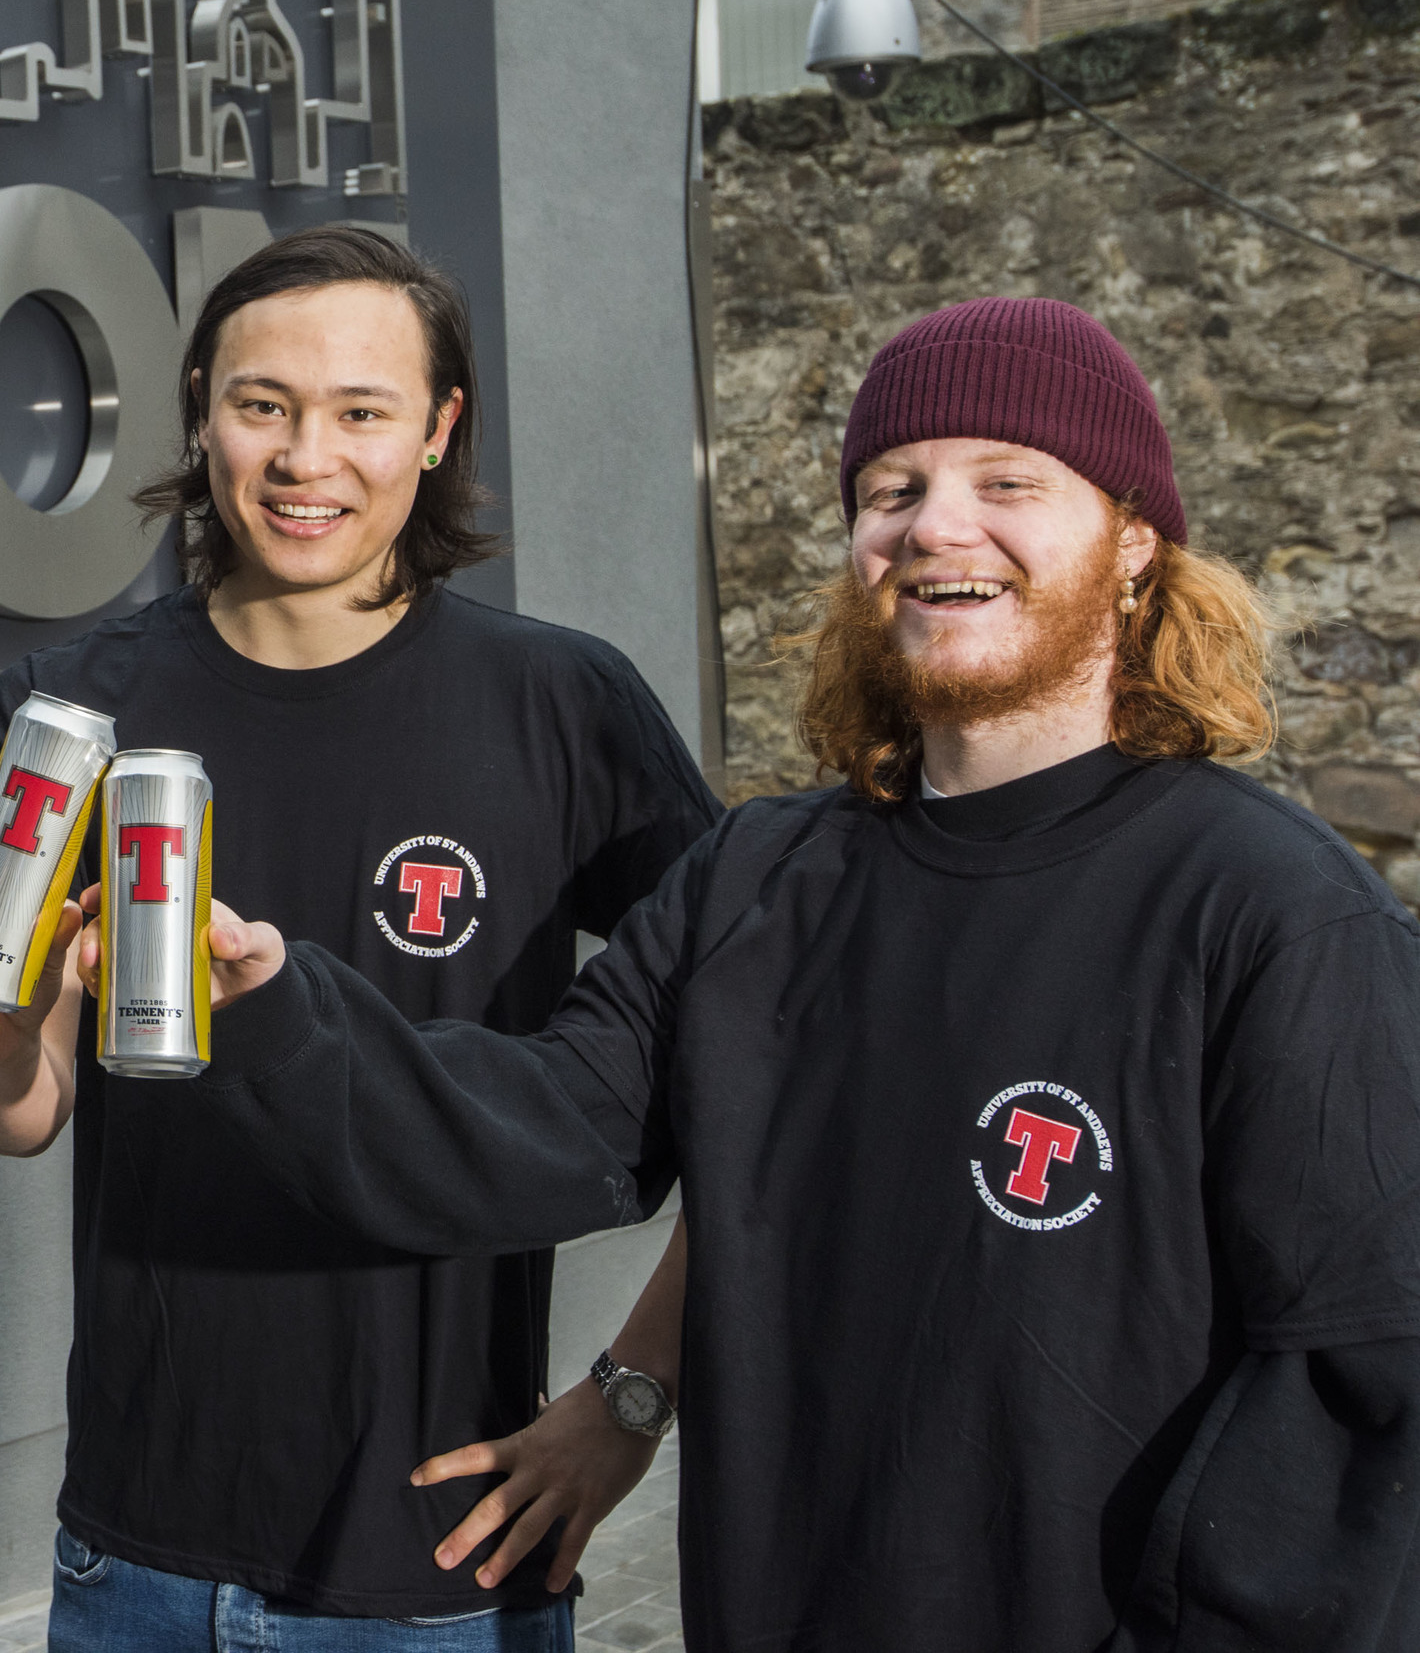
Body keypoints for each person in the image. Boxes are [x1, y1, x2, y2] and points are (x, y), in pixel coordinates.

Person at [161, 296, 1420, 1649]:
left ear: (1132, 545)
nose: (937, 525)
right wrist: (275, 1004)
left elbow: (1365, 1404)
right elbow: (535, 1132)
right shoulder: (756, 878)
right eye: (894, 488)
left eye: (1008, 482)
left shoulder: (1272, 911)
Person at [0, 225, 723, 1646]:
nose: (304, 458)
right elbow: (20, 1112)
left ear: (438, 431)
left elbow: (760, 1071)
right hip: (133, 1557)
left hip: (440, 1565)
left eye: (361, 411)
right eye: (262, 404)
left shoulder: (563, 710)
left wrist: (631, 1400)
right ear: (202, 410)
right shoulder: (68, 711)